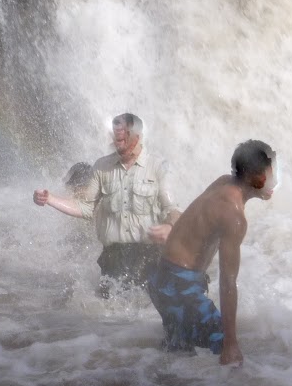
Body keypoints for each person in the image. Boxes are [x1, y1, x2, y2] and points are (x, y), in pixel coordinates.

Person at [146, 140, 275, 366]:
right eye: (271, 173)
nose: (274, 179)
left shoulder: (223, 182)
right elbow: (227, 282)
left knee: (177, 357)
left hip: (163, 280)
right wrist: (231, 343)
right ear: (256, 177)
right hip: (180, 287)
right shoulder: (234, 217)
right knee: (230, 356)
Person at [33, 113, 181, 295]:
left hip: (149, 255)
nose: (119, 144)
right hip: (113, 258)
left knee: (148, 305)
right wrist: (50, 199)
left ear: (138, 137)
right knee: (107, 308)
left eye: (125, 138)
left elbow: (173, 209)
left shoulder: (158, 167)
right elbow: (86, 207)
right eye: (117, 139)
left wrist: (170, 227)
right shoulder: (102, 167)